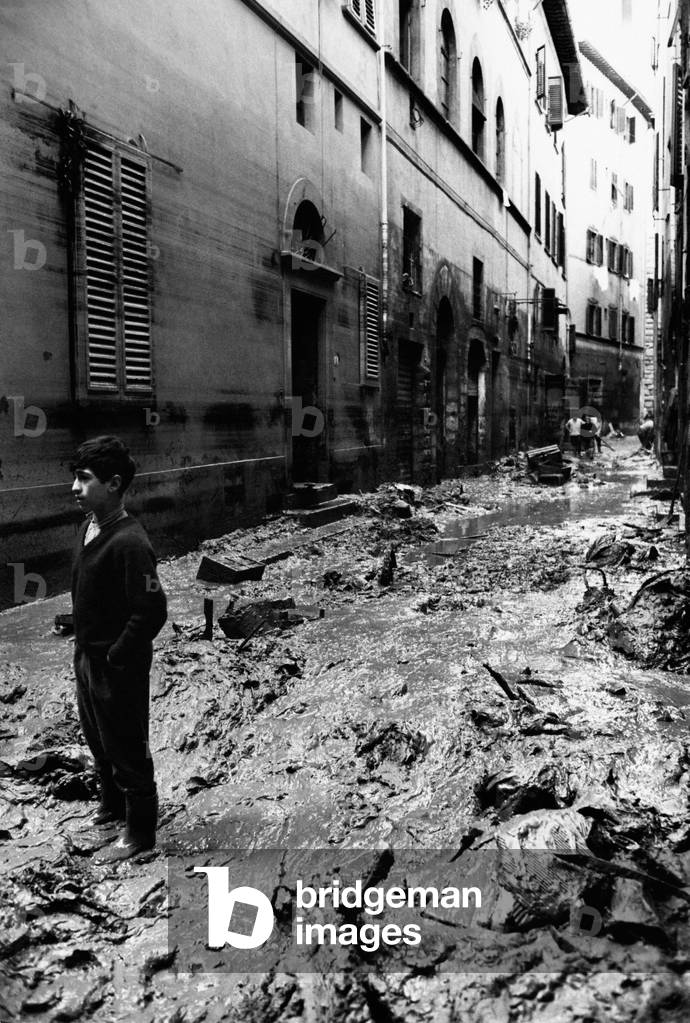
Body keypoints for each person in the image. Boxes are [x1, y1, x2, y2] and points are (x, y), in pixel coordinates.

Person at [71, 436, 167, 861]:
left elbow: (152, 610)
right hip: (88, 656)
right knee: (97, 736)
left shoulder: (130, 542)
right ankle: (111, 807)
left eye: (83, 479)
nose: (74, 487)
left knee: (127, 745)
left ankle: (140, 832)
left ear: (112, 484)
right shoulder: (89, 527)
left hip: (117, 664)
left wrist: (117, 654)